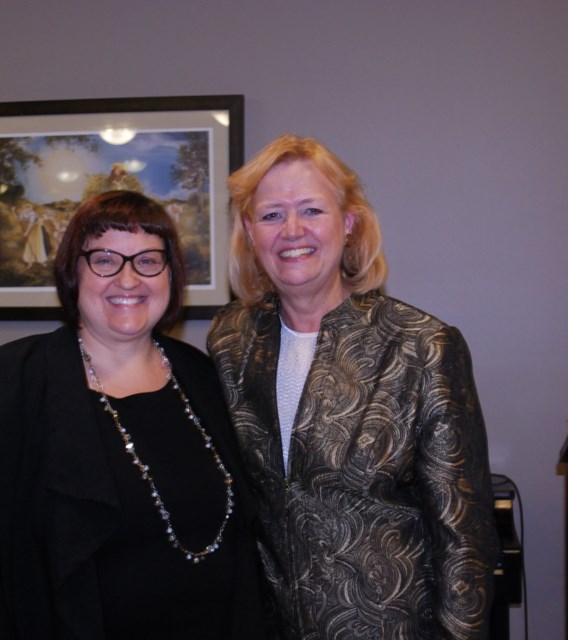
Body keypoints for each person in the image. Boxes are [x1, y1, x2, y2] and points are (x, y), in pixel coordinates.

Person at [0, 190, 267, 639]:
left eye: (148, 260)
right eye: (105, 259)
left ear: (171, 276)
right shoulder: (2, 385)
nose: (128, 280)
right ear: (73, 272)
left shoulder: (205, 377)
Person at [207, 135, 498, 639]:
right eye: (271, 215)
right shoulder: (231, 342)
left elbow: (465, 540)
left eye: (311, 210)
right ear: (250, 233)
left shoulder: (421, 347)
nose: (291, 230)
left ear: (348, 223)